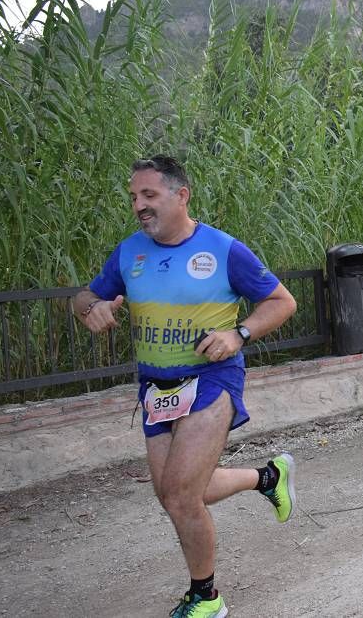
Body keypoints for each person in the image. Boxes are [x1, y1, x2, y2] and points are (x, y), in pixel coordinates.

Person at [74, 155, 298, 617]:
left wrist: (238, 334)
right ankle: (268, 477)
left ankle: (206, 598)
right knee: (178, 494)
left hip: (211, 380)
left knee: (179, 496)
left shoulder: (223, 250)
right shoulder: (130, 252)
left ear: (181, 195)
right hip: (155, 389)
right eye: (134, 197)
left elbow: (281, 301)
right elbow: (83, 295)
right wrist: (89, 307)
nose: (139, 205)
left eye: (149, 195)